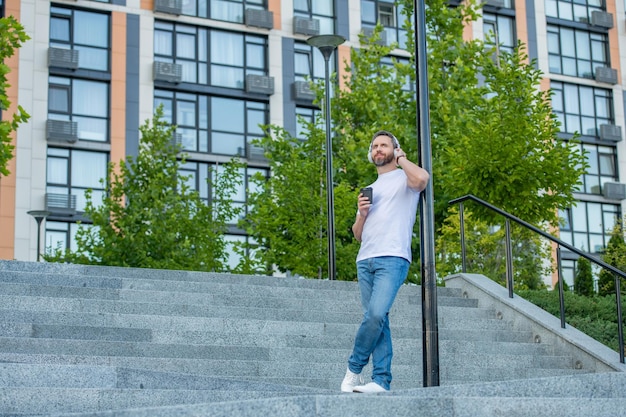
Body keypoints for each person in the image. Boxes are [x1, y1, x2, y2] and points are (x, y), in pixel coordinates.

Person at [341, 130, 430, 394]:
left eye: (384, 145)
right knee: (379, 320)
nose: (378, 149)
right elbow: (358, 234)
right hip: (365, 259)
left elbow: (423, 179)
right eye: (375, 146)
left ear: (395, 149)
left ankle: (353, 369)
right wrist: (362, 214)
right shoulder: (370, 188)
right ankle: (380, 381)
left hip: (392, 257)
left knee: (376, 314)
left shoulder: (406, 177)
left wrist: (402, 159)